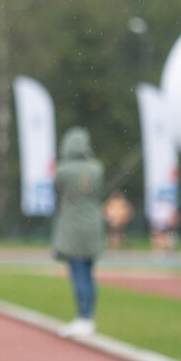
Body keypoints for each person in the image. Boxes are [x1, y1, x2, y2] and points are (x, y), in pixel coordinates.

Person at [51, 126, 105, 338]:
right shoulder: (97, 168)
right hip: (93, 225)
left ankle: (83, 318)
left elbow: (57, 190)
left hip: (72, 226)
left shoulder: (62, 170)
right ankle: (87, 317)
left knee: (78, 273)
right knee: (89, 274)